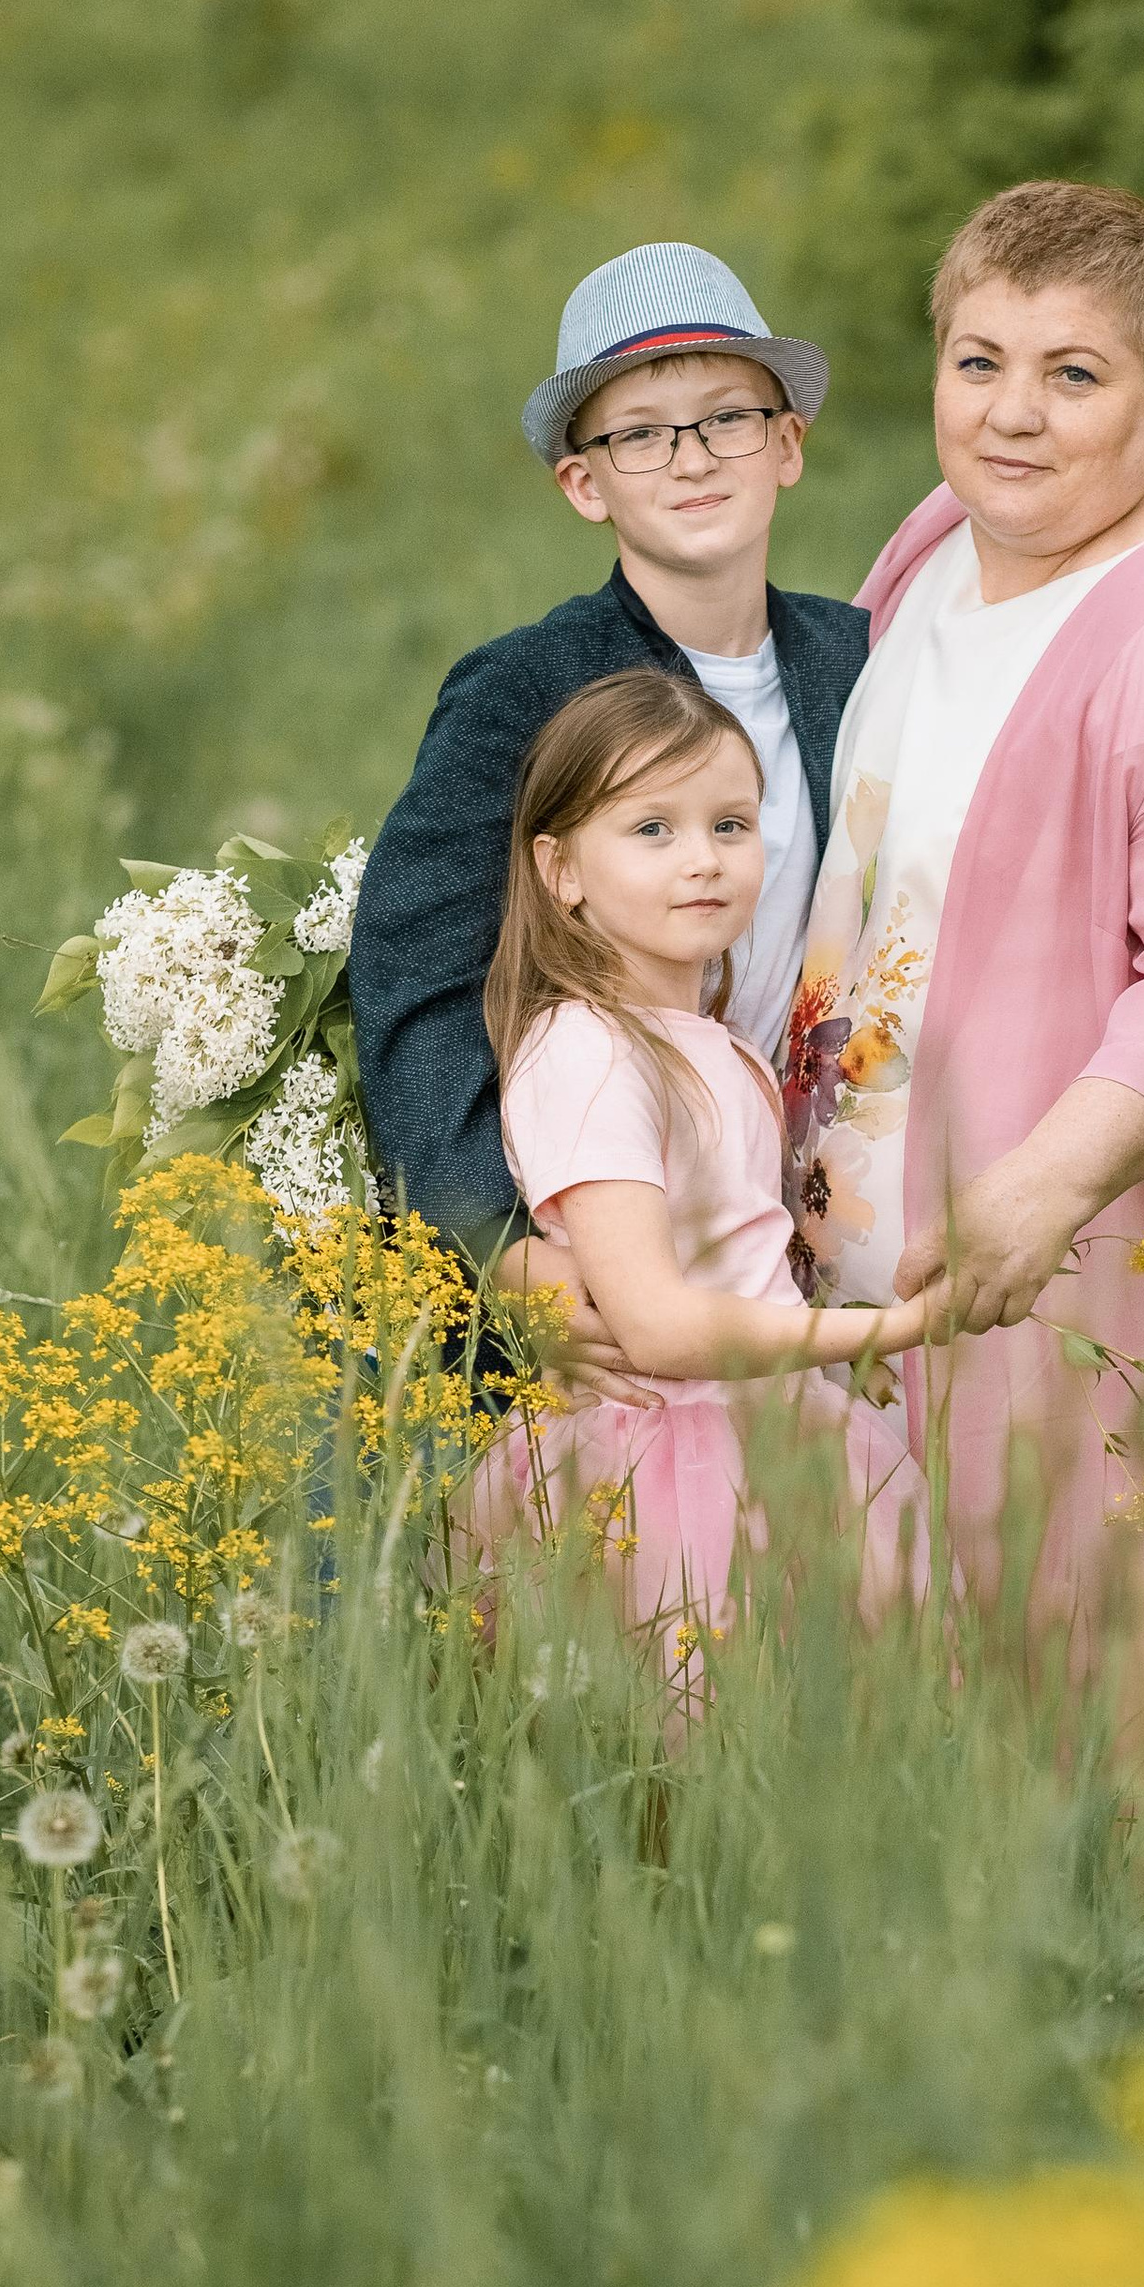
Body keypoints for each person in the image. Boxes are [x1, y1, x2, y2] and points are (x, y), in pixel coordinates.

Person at [783, 180, 1144, 1788]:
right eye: (978, 362)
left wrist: (1033, 1195)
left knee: (1143, 1728)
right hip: (855, 1283)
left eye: (1074, 375)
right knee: (907, 1736)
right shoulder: (938, 542)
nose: (1011, 417)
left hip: (1066, 1273)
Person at [349, 244, 866, 1394]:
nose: (690, 459)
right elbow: (417, 975)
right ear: (586, 483)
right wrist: (499, 1246)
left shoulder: (860, 659)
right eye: (639, 433)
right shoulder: (528, 687)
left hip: (818, 1211)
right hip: (626, 1229)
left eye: (726, 417)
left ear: (787, 445)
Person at [466, 666, 937, 1646]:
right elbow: (657, 1326)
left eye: (730, 824)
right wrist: (888, 1332)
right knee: (685, 1751)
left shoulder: (710, 1043)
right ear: (560, 872)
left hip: (774, 1426)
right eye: (651, 829)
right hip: (668, 1461)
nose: (704, 859)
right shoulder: (590, 1051)